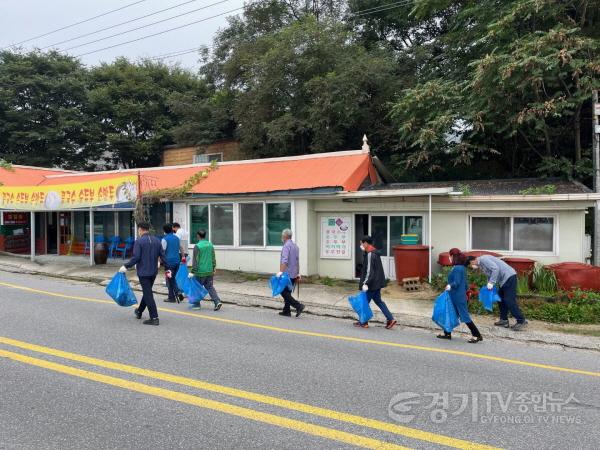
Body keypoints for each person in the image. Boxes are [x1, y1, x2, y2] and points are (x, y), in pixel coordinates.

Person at [120, 222, 166, 326]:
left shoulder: (139, 242)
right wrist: (167, 268)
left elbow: (136, 257)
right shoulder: (157, 241)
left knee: (148, 294)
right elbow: (163, 256)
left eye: (138, 230)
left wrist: (126, 266)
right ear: (148, 229)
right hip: (153, 271)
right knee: (147, 292)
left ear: (140, 229)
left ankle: (154, 317)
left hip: (143, 272)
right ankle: (139, 311)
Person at [471, 254, 528, 331]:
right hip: (503, 280)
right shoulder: (480, 264)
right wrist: (489, 284)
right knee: (500, 298)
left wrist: (491, 282)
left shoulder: (483, 259)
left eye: (471, 264)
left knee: (509, 300)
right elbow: (490, 274)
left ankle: (521, 321)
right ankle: (504, 320)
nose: (471, 266)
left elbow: (495, 269)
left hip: (509, 276)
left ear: (474, 260)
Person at [437, 248, 483, 343]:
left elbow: (457, 282)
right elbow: (465, 283)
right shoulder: (461, 267)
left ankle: (477, 335)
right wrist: (466, 291)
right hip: (456, 296)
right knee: (450, 314)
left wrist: (450, 285)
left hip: (458, 297)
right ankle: (447, 334)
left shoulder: (458, 268)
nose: (449, 258)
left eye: (450, 256)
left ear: (453, 256)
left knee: (464, 316)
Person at [356, 236, 396, 329]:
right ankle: (390, 319)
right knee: (379, 301)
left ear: (366, 243)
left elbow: (370, 271)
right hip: (377, 282)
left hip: (371, 284)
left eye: (361, 243)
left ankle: (364, 322)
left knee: (364, 302)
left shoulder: (370, 254)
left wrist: (365, 283)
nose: (361, 245)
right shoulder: (373, 252)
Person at [188, 229, 222, 311]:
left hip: (200, 272)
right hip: (209, 270)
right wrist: (214, 267)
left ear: (198, 236)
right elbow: (213, 257)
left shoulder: (197, 246)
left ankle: (196, 305)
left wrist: (193, 271)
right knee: (210, 287)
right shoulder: (210, 245)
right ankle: (217, 301)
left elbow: (195, 260)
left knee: (196, 287)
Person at [277, 229, 305, 317]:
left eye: (282, 236)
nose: (282, 237)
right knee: (288, 292)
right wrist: (298, 273)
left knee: (282, 291)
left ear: (285, 236)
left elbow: (284, 260)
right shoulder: (295, 246)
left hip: (286, 274)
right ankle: (286, 311)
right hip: (293, 274)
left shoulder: (286, 246)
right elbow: (297, 261)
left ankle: (298, 306)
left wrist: (281, 272)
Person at [161, 224, 183, 303]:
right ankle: (171, 297)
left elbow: (162, 251)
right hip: (177, 261)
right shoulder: (176, 238)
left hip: (168, 263)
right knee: (170, 279)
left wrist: (159, 261)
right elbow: (181, 248)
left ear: (164, 231)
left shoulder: (164, 239)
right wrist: (183, 257)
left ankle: (178, 292)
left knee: (170, 279)